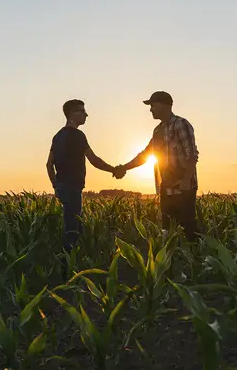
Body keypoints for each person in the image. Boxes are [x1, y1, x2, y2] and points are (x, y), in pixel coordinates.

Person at [115, 91, 199, 241]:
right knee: (167, 231)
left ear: (165, 105)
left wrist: (186, 181)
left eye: (153, 105)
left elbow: (191, 154)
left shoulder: (181, 124)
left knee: (188, 230)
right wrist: (124, 168)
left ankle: (195, 261)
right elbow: (145, 155)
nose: (150, 109)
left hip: (183, 188)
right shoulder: (158, 131)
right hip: (166, 188)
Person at [46, 99, 121, 251]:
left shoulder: (57, 136)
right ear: (72, 113)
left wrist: (55, 185)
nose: (86, 115)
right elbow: (93, 160)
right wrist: (113, 170)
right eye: (82, 111)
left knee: (72, 225)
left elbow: (49, 164)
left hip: (62, 188)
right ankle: (67, 267)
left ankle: (69, 263)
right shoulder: (78, 136)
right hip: (73, 188)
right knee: (73, 231)